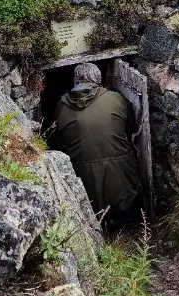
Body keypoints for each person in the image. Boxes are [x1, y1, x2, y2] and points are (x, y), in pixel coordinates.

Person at [52, 62, 142, 231]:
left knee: (91, 211)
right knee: (124, 213)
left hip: (81, 174)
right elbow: (131, 127)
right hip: (120, 173)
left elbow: (57, 139)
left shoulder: (61, 105)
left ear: (75, 80)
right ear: (98, 79)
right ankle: (124, 229)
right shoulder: (116, 99)